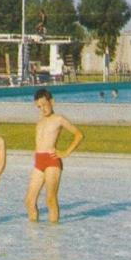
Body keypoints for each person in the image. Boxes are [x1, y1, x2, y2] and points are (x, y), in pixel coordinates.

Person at [25, 88, 84, 223]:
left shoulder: (59, 119)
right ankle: (34, 231)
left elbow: (79, 135)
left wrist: (65, 152)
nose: (42, 109)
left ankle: (53, 234)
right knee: (29, 200)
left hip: (52, 161)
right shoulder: (40, 121)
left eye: (45, 105)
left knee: (50, 198)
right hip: (39, 161)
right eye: (39, 107)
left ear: (52, 102)